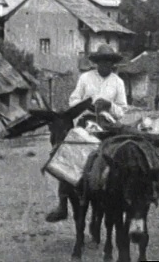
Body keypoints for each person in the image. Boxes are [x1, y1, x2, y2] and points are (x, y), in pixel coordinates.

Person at [46, 44, 127, 222]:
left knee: (120, 158)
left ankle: (119, 200)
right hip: (86, 123)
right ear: (96, 62)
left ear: (113, 63)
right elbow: (73, 99)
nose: (105, 65)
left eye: (109, 62)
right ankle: (63, 203)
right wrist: (84, 104)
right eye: (101, 61)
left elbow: (122, 109)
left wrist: (110, 106)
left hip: (108, 126)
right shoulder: (85, 78)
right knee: (68, 155)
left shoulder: (118, 82)